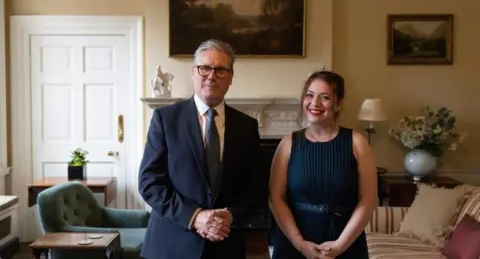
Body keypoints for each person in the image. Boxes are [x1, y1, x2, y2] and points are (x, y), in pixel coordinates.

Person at [138, 39, 268, 259]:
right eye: (205, 68)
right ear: (193, 72)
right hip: (171, 245)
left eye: (220, 70)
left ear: (230, 78)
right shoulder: (165, 119)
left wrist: (231, 215)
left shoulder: (246, 126)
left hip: (225, 244)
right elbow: (149, 182)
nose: (211, 76)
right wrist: (195, 217)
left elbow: (255, 186)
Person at [269, 71, 378, 259]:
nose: (315, 103)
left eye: (325, 97)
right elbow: (276, 198)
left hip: (345, 244)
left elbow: (368, 200)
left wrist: (339, 246)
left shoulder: (357, 143)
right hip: (294, 245)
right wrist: (300, 244)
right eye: (309, 95)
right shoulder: (287, 144)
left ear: (339, 104)